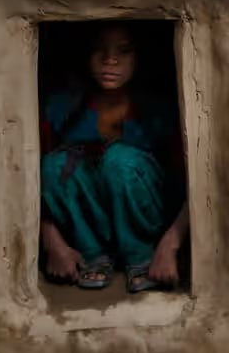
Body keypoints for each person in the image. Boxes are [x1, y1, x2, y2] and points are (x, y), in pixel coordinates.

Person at [38, 23, 187, 292]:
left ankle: (140, 256)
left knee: (119, 159)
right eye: (99, 50)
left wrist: (170, 244)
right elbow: (30, 181)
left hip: (152, 226)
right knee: (53, 165)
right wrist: (52, 242)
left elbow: (197, 186)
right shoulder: (62, 106)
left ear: (139, 57)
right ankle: (93, 255)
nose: (110, 60)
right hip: (86, 232)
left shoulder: (160, 111)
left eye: (124, 51)